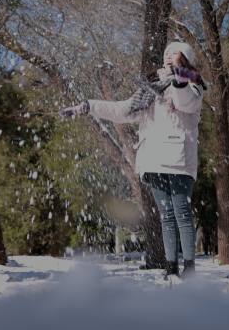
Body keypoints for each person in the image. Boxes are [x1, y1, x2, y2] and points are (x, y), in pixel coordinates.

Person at [60, 42, 204, 279]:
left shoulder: (193, 85)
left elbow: (184, 102)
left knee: (182, 213)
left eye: (174, 55)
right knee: (166, 216)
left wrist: (179, 75)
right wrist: (88, 107)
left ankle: (189, 270)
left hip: (180, 161)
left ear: (186, 59)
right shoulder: (151, 88)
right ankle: (171, 269)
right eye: (166, 54)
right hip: (154, 160)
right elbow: (122, 111)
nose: (168, 57)